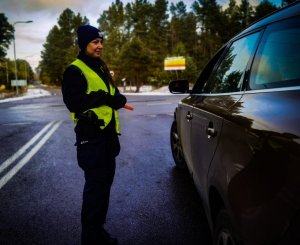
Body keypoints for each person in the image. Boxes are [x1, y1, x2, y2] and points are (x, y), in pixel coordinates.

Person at [61, 24, 127, 245]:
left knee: (103, 190)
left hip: (107, 139)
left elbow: (110, 94)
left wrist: (118, 98)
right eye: (94, 42)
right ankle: (90, 239)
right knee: (94, 192)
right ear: (84, 44)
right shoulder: (74, 70)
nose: (99, 46)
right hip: (91, 139)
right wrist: (101, 97)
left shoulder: (100, 66)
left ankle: (97, 232)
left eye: (101, 42)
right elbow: (74, 103)